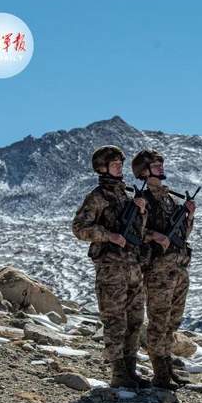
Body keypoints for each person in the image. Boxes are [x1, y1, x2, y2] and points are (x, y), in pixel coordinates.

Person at [72, 145, 150, 389]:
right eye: (114, 164)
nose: (119, 168)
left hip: (132, 267)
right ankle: (118, 373)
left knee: (135, 320)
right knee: (115, 320)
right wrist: (108, 235)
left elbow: (139, 231)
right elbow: (79, 228)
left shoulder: (125, 195)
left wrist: (141, 212)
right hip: (111, 268)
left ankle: (130, 369)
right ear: (102, 168)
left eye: (120, 164)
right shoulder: (97, 197)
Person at [131, 149, 196, 389]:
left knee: (172, 323)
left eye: (160, 164)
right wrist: (155, 235)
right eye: (155, 165)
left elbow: (182, 235)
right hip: (158, 271)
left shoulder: (171, 199)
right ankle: (160, 375)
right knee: (159, 322)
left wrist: (189, 217)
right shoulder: (143, 200)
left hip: (178, 269)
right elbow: (135, 232)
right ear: (144, 172)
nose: (160, 168)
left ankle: (167, 369)